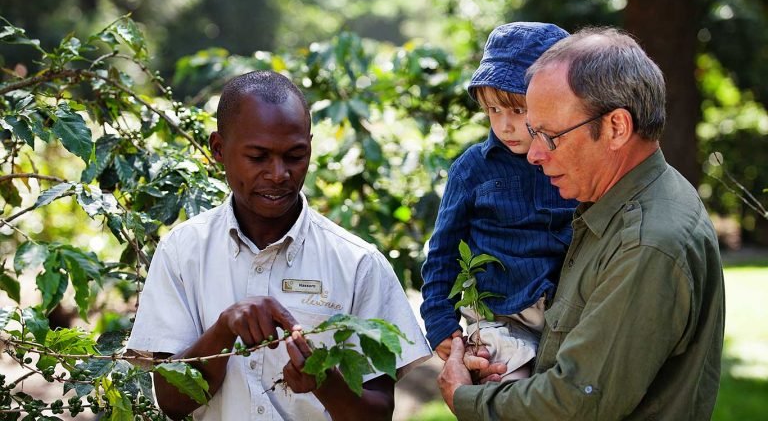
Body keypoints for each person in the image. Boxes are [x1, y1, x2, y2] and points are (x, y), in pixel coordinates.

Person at [438, 27, 725, 420]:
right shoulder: (614, 200)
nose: (534, 155)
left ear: (616, 128)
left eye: (550, 136)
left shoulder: (646, 244)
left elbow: (576, 402)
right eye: (533, 131)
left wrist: (463, 398)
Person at [127, 70, 431, 421]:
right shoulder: (182, 253)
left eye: (295, 155)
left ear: (310, 147)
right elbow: (172, 403)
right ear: (219, 150)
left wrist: (323, 381)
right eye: (258, 157)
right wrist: (223, 330)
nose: (278, 173)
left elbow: (378, 413)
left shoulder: (358, 263)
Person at [420, 22, 577, 380]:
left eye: (518, 111)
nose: (504, 126)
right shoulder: (473, 169)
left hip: (565, 317)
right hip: (499, 319)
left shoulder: (573, 163)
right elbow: (442, 251)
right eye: (493, 111)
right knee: (505, 396)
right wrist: (440, 322)